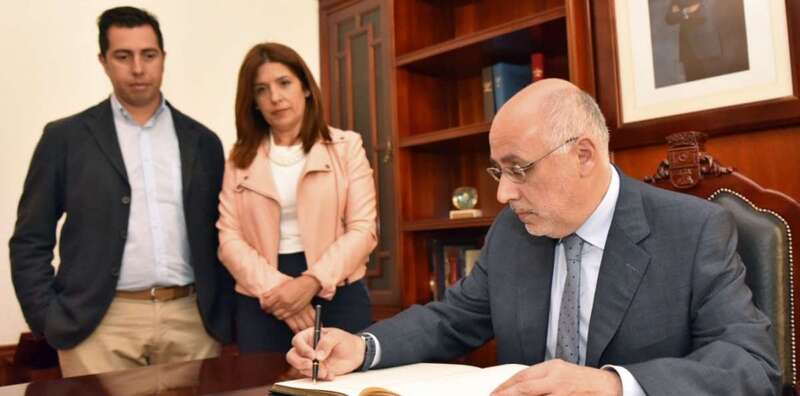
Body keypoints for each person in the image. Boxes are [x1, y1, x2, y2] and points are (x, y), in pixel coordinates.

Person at [286, 79, 780, 395]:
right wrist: (363, 347)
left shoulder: (692, 231)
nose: (502, 193)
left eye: (518, 170)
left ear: (584, 155)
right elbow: (452, 319)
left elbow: (752, 366)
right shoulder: (515, 231)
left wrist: (613, 386)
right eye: (497, 171)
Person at [9, 6, 233, 376]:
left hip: (190, 322)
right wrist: (49, 318)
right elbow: (29, 240)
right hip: (99, 326)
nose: (138, 68)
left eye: (149, 55)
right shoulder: (65, 139)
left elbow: (224, 232)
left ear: (164, 58)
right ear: (103, 61)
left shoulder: (203, 141)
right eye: (123, 56)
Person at [217, 42, 376, 354]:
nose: (275, 97)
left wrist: (311, 282)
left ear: (305, 87)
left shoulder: (346, 146)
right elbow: (229, 238)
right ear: (254, 101)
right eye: (262, 89)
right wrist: (279, 292)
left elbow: (363, 229)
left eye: (284, 83)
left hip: (338, 289)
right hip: (261, 296)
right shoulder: (239, 159)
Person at [665, 0, 748, 82]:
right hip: (687, 50)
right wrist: (686, 11)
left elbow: (704, 12)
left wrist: (681, 13)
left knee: (715, 84)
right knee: (693, 86)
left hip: (708, 47)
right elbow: (669, 18)